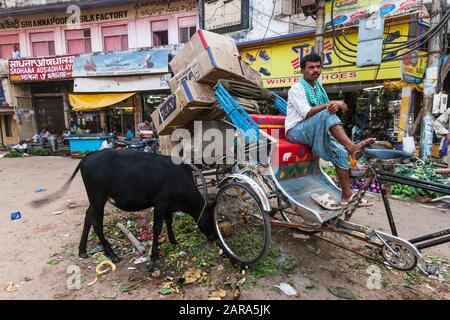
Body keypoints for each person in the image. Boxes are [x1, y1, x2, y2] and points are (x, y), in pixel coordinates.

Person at [285, 53, 375, 209]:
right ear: (302, 70)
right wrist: (329, 105)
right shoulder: (296, 89)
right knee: (328, 112)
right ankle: (351, 147)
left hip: (314, 129)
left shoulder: (319, 89)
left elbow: (324, 112)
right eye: (311, 67)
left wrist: (331, 106)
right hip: (296, 131)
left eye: (318, 67)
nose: (315, 70)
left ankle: (347, 195)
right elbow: (306, 113)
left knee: (339, 152)